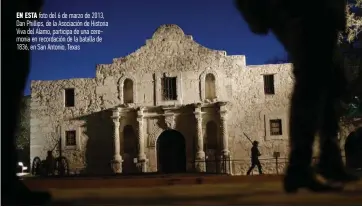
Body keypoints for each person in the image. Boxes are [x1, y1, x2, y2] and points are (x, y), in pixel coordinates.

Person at [234, 0, 359, 193]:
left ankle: (328, 157)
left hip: (319, 10)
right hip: (297, 9)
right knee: (313, 74)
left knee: (331, 77)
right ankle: (301, 165)